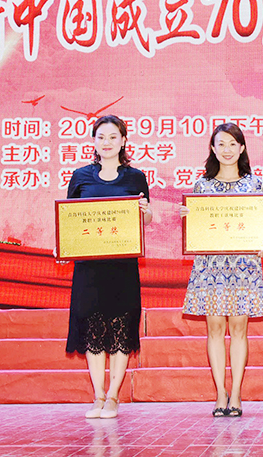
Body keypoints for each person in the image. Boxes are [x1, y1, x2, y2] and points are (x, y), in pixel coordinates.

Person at [65, 115, 152, 419]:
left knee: (120, 330)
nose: (107, 142)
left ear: (123, 141)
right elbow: (70, 220)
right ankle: (98, 396)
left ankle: (113, 396)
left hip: (122, 266)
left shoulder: (136, 177)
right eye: (101, 137)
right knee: (93, 330)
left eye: (113, 137)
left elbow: (146, 219)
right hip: (89, 268)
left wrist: (145, 211)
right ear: (94, 141)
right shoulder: (80, 177)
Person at [180, 123, 263, 417]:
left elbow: (262, 226)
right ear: (213, 149)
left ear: (242, 148)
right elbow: (197, 231)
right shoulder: (201, 187)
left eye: (233, 144)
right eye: (221, 144)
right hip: (211, 266)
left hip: (243, 266)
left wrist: (262, 244)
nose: (227, 150)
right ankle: (220, 393)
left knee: (239, 329)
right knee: (215, 329)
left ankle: (237, 393)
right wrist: (189, 219)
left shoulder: (254, 185)